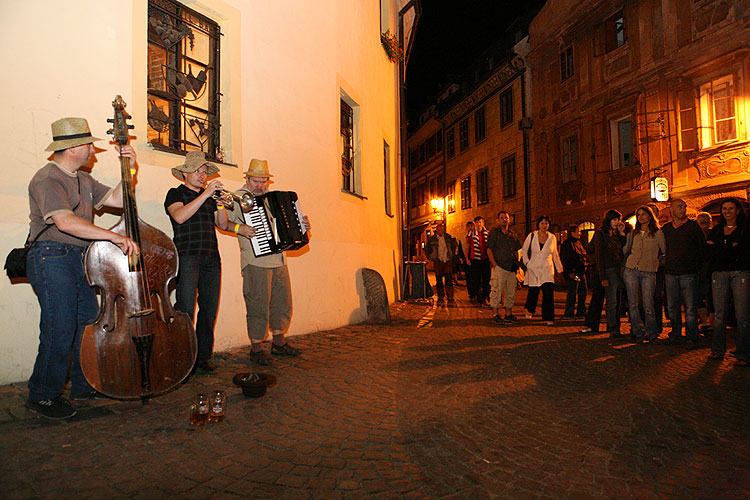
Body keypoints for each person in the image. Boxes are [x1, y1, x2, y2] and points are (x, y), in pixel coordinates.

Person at [25, 117, 139, 419]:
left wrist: (130, 169)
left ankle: (82, 385)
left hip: (77, 259)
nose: (93, 150)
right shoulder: (47, 178)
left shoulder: (84, 180)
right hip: (51, 258)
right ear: (73, 147)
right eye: (88, 144)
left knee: (87, 324)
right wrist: (113, 236)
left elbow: (116, 200)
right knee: (59, 327)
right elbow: (65, 222)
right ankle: (42, 395)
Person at [225, 159, 310, 366]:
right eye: (256, 181)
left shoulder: (273, 199)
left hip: (279, 259)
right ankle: (256, 349)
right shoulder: (238, 198)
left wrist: (302, 224)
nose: (260, 186)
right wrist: (240, 229)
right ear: (246, 179)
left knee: (282, 303)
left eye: (263, 181)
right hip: (255, 261)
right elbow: (222, 222)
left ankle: (279, 344)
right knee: (258, 304)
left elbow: (285, 225)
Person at [164, 151, 228, 374]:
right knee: (185, 310)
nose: (202, 176)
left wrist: (219, 204)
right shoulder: (175, 193)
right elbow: (180, 216)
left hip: (212, 257)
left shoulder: (210, 198)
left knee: (209, 311)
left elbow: (222, 224)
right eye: (198, 171)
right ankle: (182, 359)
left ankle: (202, 358)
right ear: (184, 173)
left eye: (204, 172)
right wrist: (205, 195)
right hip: (188, 257)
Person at [706, 198, 750, 366]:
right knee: (719, 315)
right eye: (724, 208)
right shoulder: (717, 229)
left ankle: (743, 353)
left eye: (731, 208)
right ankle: (717, 350)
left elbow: (744, 249)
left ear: (737, 211)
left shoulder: (745, 229)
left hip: (740, 272)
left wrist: (724, 246)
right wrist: (731, 245)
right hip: (719, 273)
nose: (727, 211)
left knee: (742, 315)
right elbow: (710, 249)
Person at [661, 199, 706, 348]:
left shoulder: (693, 227)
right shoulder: (666, 229)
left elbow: (702, 249)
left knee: (690, 307)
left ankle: (692, 337)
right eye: (679, 207)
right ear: (672, 210)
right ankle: (675, 334)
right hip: (670, 273)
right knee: (672, 307)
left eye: (684, 207)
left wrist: (696, 267)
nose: (683, 209)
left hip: (688, 273)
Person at [622, 206, 666, 343]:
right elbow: (626, 250)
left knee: (648, 303)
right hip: (631, 270)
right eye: (639, 214)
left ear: (650, 216)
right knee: (633, 303)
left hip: (648, 271)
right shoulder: (633, 234)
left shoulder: (657, 233)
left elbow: (664, 251)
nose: (641, 217)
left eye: (643, 214)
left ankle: (652, 333)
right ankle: (638, 332)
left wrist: (656, 263)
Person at [580, 210, 626, 338]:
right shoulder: (601, 234)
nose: (617, 222)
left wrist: (622, 233)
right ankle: (610, 328)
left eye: (619, 220)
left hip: (617, 271)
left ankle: (609, 326)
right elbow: (599, 255)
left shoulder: (615, 234)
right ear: (609, 220)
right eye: (615, 220)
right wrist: (602, 276)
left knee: (613, 300)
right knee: (607, 300)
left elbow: (623, 248)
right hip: (606, 271)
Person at [521, 215, 563, 325]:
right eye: (542, 223)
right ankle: (530, 309)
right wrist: (527, 263)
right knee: (534, 291)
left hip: (547, 268)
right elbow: (524, 250)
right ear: (538, 224)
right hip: (533, 267)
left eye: (546, 223)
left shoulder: (552, 238)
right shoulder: (532, 236)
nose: (544, 225)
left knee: (548, 293)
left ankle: (548, 317)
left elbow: (555, 254)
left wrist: (559, 268)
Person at [487, 211, 522, 324]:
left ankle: (508, 313)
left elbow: (517, 250)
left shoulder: (512, 234)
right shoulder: (494, 233)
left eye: (506, 218)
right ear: (498, 220)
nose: (504, 220)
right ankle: (495, 314)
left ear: (509, 220)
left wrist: (518, 264)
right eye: (502, 218)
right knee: (496, 290)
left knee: (510, 292)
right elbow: (489, 249)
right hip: (500, 266)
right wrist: (495, 264)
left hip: (511, 267)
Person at [560, 224, 588, 319]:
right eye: (577, 231)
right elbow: (565, 259)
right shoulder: (567, 244)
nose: (579, 233)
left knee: (583, 292)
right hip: (573, 272)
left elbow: (583, 254)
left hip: (581, 271)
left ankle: (581, 312)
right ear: (572, 232)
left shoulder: (578, 243)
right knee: (572, 293)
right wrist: (570, 272)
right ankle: (569, 313)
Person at [425, 221, 457, 304]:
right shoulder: (432, 239)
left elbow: (453, 247)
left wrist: (451, 255)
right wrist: (431, 257)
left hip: (447, 260)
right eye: (439, 230)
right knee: (439, 279)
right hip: (438, 260)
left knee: (449, 278)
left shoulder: (447, 237)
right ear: (436, 230)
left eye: (442, 230)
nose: (440, 232)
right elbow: (427, 248)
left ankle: (450, 296)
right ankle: (440, 296)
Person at [695, 211, 714, 332]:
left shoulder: (697, 235)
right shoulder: (715, 233)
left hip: (700, 270)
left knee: (698, 297)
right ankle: (712, 323)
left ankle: (705, 322)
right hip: (714, 270)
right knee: (712, 298)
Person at [467, 216, 490, 305]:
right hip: (475, 259)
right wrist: (467, 258)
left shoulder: (487, 233)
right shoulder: (471, 234)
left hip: (485, 259)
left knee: (486, 280)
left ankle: (485, 297)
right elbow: (467, 247)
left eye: (480, 222)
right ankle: (477, 297)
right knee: (476, 280)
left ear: (483, 223)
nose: (479, 224)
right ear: (474, 224)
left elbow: (490, 247)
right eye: (477, 222)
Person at [464, 221, 477, 301]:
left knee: (475, 278)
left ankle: (476, 294)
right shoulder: (464, 237)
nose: (470, 228)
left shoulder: (475, 236)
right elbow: (463, 248)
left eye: (471, 226)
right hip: (467, 260)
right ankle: (471, 295)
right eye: (468, 226)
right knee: (469, 279)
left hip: (474, 259)